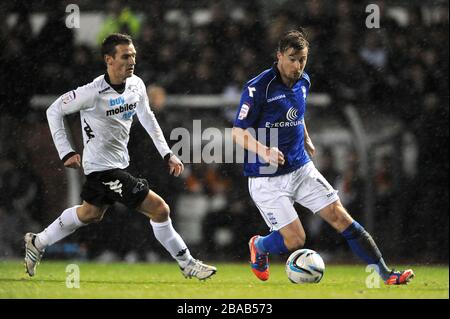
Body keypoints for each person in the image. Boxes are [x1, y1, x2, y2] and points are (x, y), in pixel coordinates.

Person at [24, 33, 216, 280]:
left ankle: (37, 242)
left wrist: (167, 152)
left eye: (133, 55)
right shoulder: (92, 92)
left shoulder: (136, 85)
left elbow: (147, 117)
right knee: (160, 209)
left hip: (117, 163)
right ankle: (187, 263)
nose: (131, 60)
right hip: (102, 169)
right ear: (109, 59)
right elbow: (54, 111)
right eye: (125, 56)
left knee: (89, 213)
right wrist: (67, 151)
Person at [231, 29, 414, 285]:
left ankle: (386, 274)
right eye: (292, 58)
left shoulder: (304, 81)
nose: (297, 65)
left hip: (301, 168)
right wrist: (265, 151)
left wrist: (305, 136)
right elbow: (238, 133)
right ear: (279, 56)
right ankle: (259, 246)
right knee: (295, 239)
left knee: (341, 217)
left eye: (302, 59)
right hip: (267, 177)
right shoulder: (258, 87)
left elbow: (297, 112)